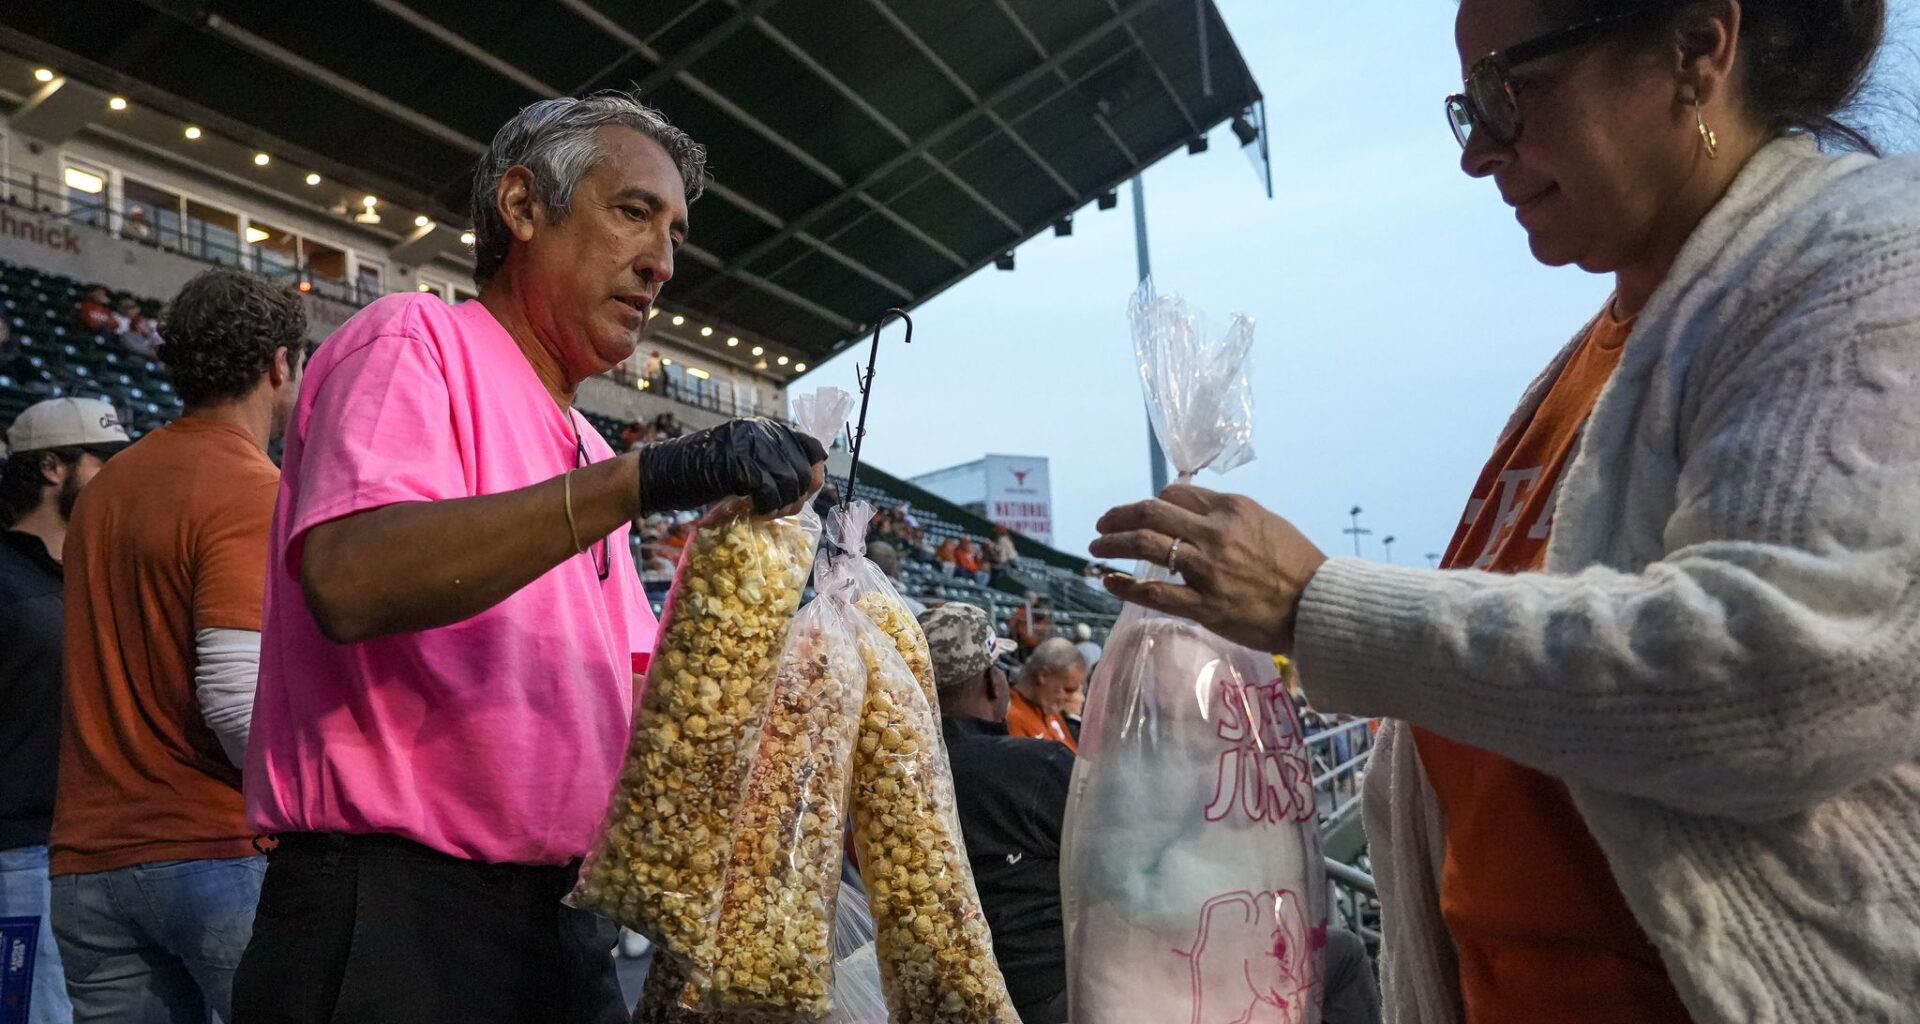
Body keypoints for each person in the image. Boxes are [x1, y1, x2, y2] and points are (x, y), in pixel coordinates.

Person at [1090, 2, 1917, 1020]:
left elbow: (1789, 684)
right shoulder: (1596, 355)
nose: (1479, 153)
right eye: (1465, 107)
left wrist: (1318, 604)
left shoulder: (1863, 266)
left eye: (1506, 93)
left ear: (1698, 46)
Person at [230, 91, 826, 1024]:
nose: (663, 262)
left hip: (558, 919)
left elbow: (636, 698)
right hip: (399, 914)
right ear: (522, 207)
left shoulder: (587, 445)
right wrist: (643, 481)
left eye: (675, 233)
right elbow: (352, 578)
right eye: (633, 212)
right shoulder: (413, 341)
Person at [50, 269, 305, 1023]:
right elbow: (233, 703)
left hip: (89, 863)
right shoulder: (250, 486)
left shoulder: (107, 486)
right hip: (211, 851)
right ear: (279, 365)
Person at [0, 398, 127, 1024]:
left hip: (92, 853)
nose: (118, 479)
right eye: (104, 461)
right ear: (52, 466)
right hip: (18, 857)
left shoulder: (91, 575)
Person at [919, 602, 1069, 1024]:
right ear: (991, 682)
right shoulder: (1039, 767)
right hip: (1049, 994)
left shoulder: (890, 770)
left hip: (934, 1001)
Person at [1006, 637, 1083, 752]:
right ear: (1043, 676)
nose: (1069, 698)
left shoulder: (1050, 712)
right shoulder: (1010, 716)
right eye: (1068, 690)